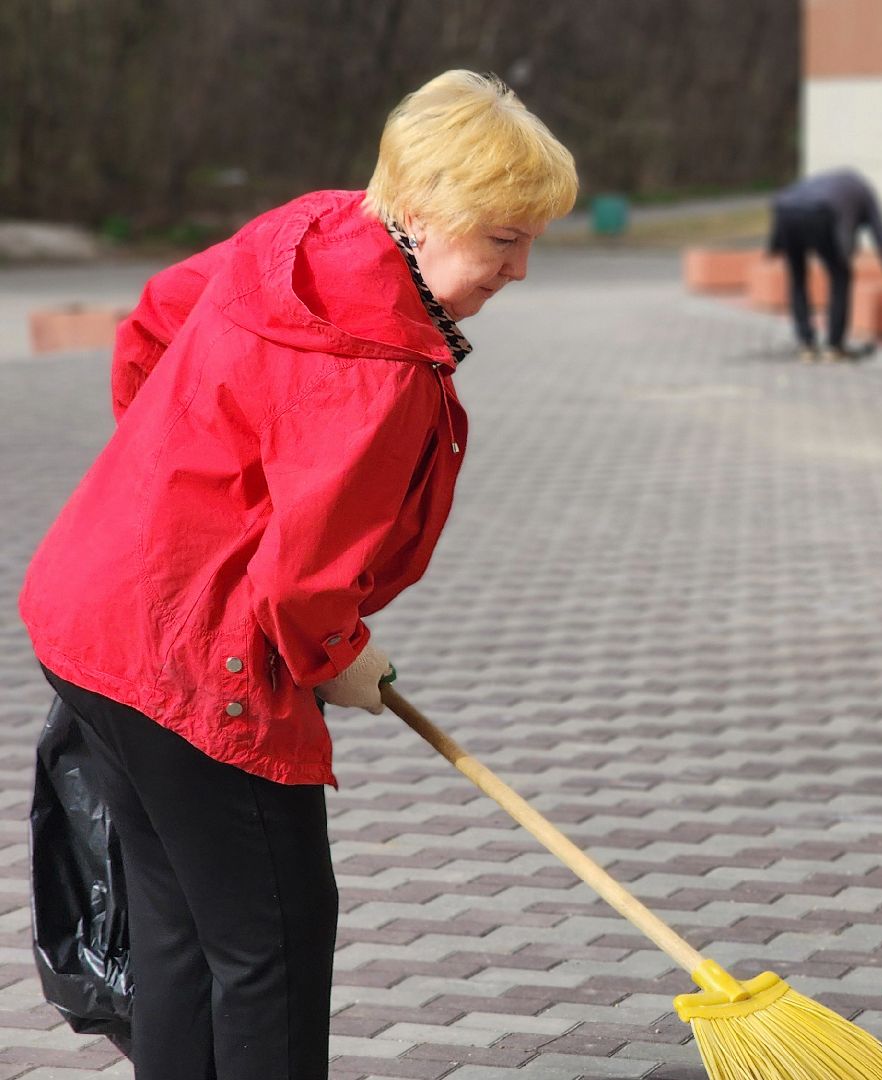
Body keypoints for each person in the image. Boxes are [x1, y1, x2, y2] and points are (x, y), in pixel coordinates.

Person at [17, 70, 576, 1077]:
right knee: (271, 945)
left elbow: (152, 320)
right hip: (196, 674)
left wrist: (175, 502)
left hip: (91, 614)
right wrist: (337, 653)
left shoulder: (308, 231)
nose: (522, 269)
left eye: (530, 239)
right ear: (420, 209)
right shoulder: (384, 369)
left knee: (187, 933)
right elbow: (297, 593)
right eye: (502, 239)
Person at [768, 167, 882, 363]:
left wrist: (774, 246)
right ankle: (834, 346)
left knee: (797, 277)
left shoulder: (839, 185)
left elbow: (789, 201)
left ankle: (806, 344)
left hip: (784, 211)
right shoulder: (864, 194)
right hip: (818, 213)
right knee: (841, 276)